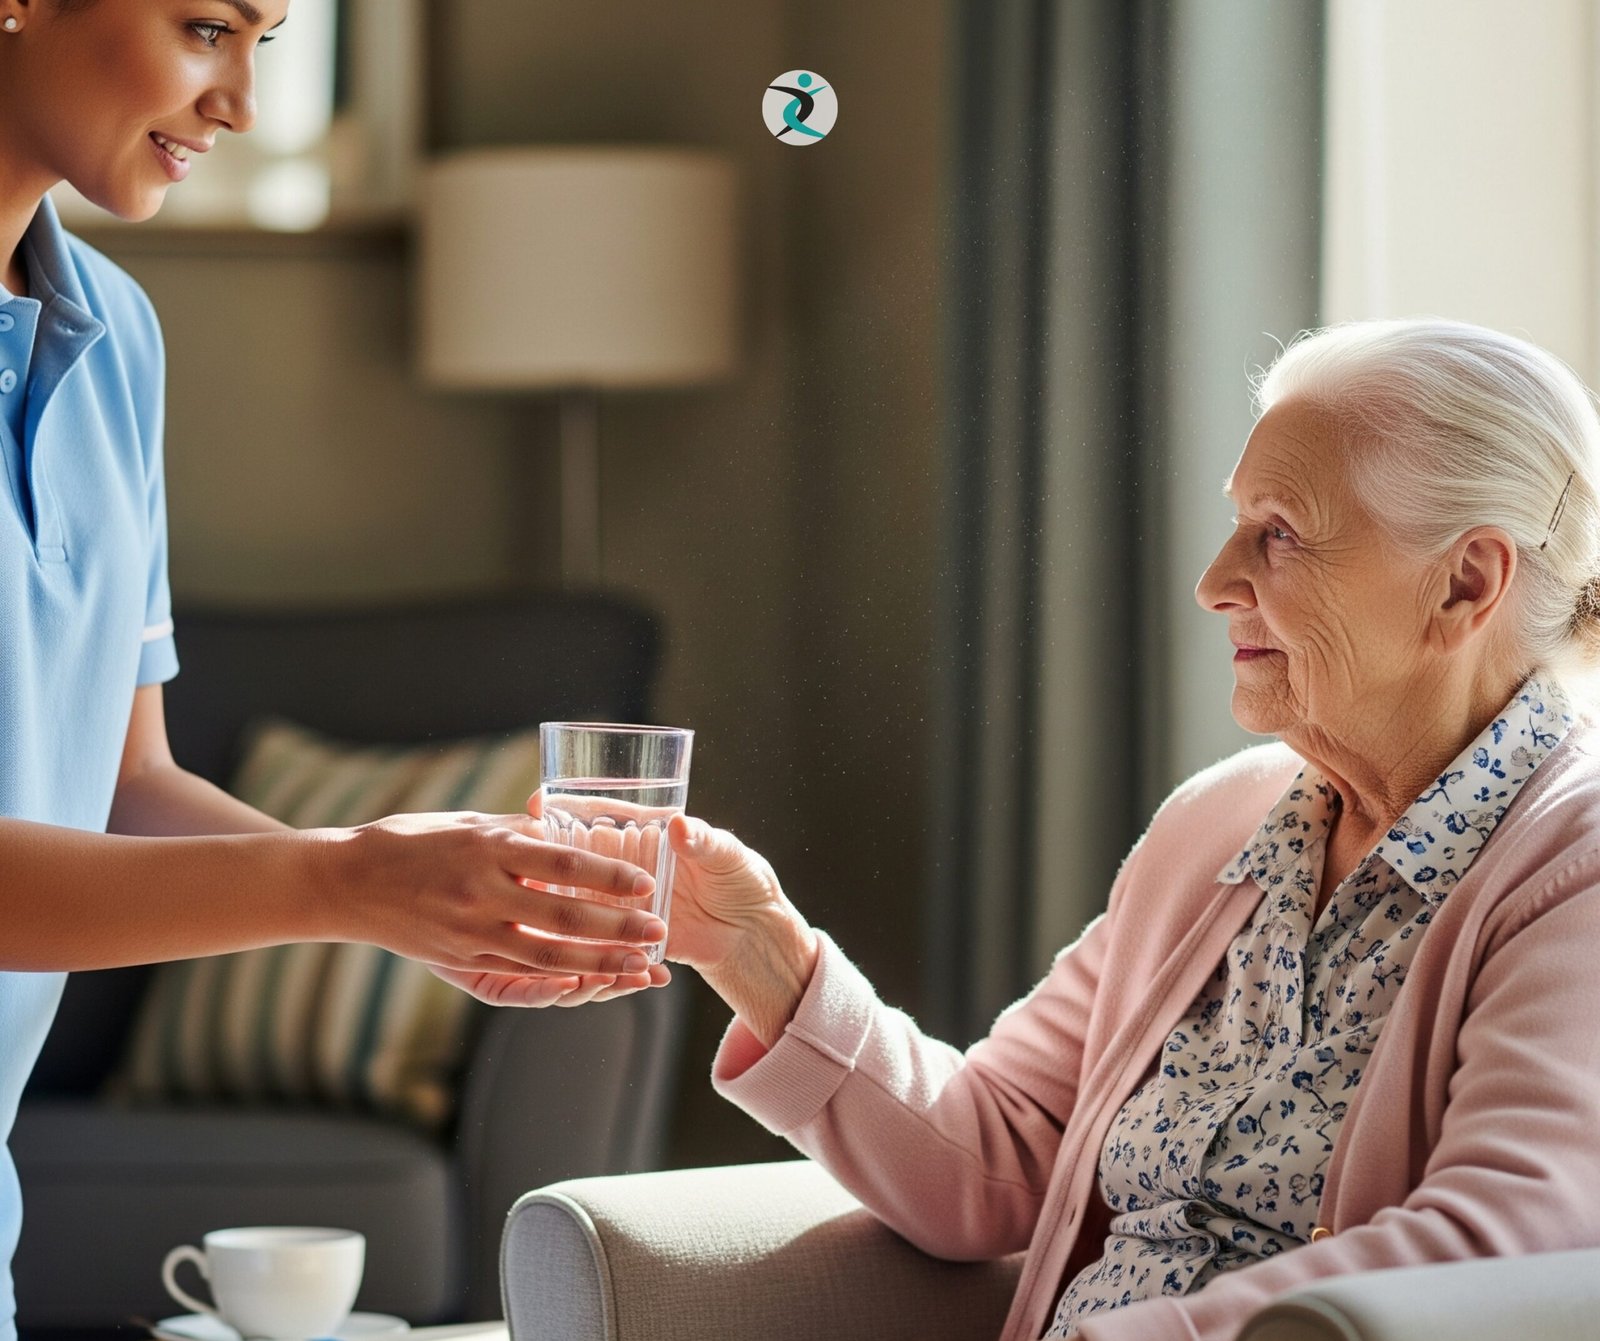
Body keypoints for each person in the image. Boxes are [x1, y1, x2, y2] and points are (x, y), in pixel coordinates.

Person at [647, 318, 1600, 1340]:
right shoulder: (1218, 827)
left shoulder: (1571, 868)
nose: (1213, 582)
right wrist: (756, 949)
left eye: (1279, 531)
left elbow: (1500, 1242)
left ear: (1465, 582)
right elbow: (996, 1153)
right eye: (1238, 522)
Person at [0, 1, 666, 1333]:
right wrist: (343, 877)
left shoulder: (118, 337)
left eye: (268, 41)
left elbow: (126, 782)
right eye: (206, 26)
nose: (240, 103)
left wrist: (404, 905)